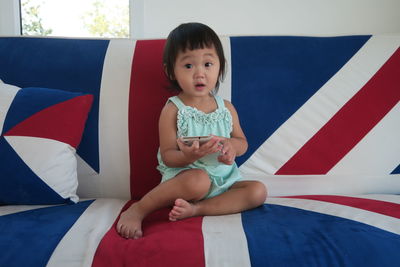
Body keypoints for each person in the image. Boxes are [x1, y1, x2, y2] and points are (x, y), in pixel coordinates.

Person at [117, 22, 267, 239]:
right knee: (198, 180)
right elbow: (168, 156)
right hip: (187, 179)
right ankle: (138, 209)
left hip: (225, 181)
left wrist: (231, 147)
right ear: (171, 71)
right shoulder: (172, 109)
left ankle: (197, 209)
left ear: (220, 66)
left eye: (208, 64)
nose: (199, 74)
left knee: (258, 191)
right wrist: (187, 156)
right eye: (188, 66)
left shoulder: (226, 108)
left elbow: (242, 142)